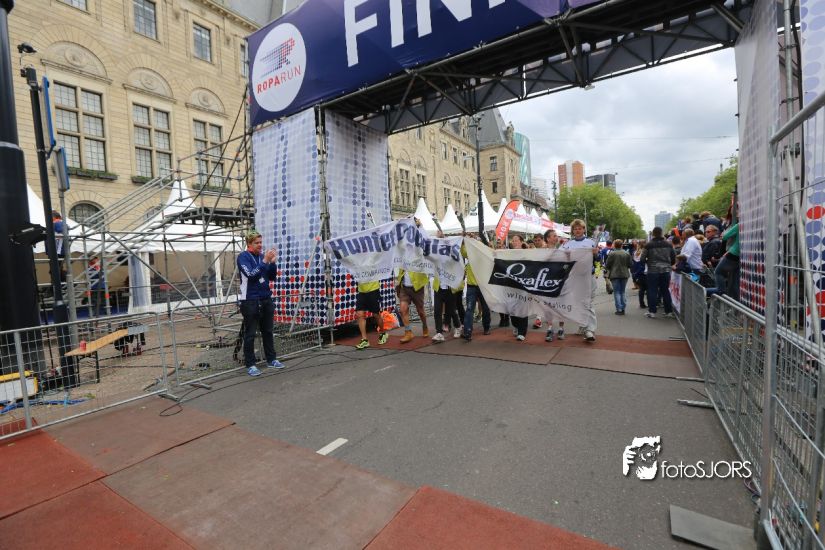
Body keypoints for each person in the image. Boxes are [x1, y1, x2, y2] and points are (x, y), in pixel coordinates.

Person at [237, 231, 285, 376]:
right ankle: (250, 364)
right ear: (249, 244)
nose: (260, 245)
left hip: (265, 298)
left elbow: (271, 277)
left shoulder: (262, 257)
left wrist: (273, 263)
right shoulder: (243, 257)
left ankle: (271, 359)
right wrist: (265, 261)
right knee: (250, 334)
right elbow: (251, 275)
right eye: (256, 243)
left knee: (268, 331)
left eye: (260, 242)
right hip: (250, 300)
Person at [560, 219, 597, 341]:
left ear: (583, 229)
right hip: (575, 278)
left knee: (588, 303)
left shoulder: (591, 243)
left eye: (579, 228)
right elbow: (560, 258)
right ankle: (583, 325)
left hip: (588, 277)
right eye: (575, 229)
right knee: (578, 303)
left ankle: (590, 330)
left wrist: (596, 254)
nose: (577, 231)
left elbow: (598, 260)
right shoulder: (568, 244)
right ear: (572, 231)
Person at [640, 227, 676, 319]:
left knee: (652, 291)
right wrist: (668, 264)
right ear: (661, 233)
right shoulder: (668, 244)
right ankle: (668, 311)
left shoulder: (648, 245)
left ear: (653, 234)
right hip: (666, 270)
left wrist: (648, 262)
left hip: (653, 271)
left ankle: (652, 312)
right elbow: (673, 258)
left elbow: (642, 259)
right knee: (665, 290)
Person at [462, 238, 491, 341]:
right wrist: (464, 239)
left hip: (483, 287)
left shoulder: (484, 254)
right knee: (470, 309)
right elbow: (462, 250)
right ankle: (467, 332)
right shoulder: (470, 253)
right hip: (471, 287)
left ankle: (486, 327)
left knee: (485, 308)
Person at [395, 268, 430, 343]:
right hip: (404, 287)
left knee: (420, 311)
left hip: (418, 288)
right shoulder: (402, 260)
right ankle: (408, 332)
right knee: (403, 309)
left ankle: (425, 326)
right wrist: (398, 284)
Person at [543, 229, 566, 341]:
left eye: (556, 235)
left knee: (561, 305)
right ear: (548, 239)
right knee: (548, 306)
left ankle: (561, 329)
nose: (556, 237)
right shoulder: (541, 252)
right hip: (547, 282)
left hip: (560, 281)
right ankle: (550, 328)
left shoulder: (562, 250)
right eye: (554, 236)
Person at [354, 278, 389, 350]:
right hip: (362, 291)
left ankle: (383, 333)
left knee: (376, 315)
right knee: (359, 314)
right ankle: (364, 340)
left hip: (373, 290)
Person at [509, 234, 529, 341]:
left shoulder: (526, 253)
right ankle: (516, 325)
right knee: (512, 309)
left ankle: (522, 332)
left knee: (522, 308)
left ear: (521, 242)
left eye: (516, 240)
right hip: (511, 285)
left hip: (523, 285)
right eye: (513, 240)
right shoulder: (508, 253)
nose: (514, 242)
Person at [605, 239, 631, 315]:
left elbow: (607, 265)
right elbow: (630, 264)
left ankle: (619, 309)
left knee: (617, 292)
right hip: (624, 274)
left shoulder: (612, 254)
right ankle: (623, 308)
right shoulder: (627, 253)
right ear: (622, 245)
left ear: (615, 245)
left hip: (614, 274)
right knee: (622, 291)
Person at [715, 222, 740, 299]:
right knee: (735, 280)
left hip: (734, 253)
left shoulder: (739, 225)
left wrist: (724, 233)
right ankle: (735, 300)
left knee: (718, 272)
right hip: (741, 256)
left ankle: (722, 293)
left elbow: (724, 237)